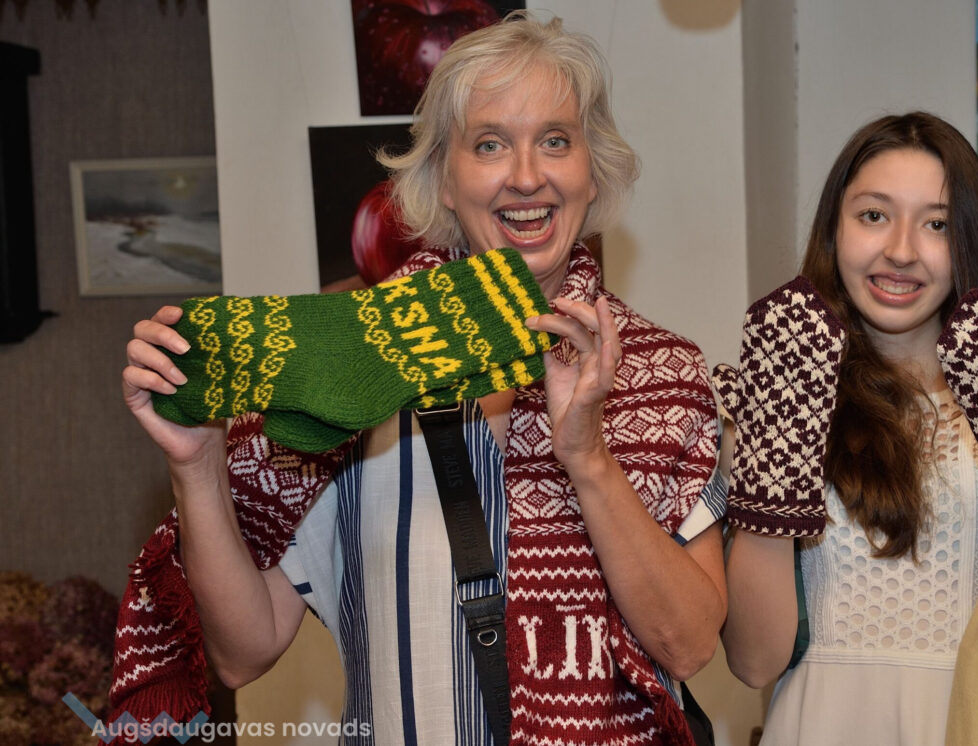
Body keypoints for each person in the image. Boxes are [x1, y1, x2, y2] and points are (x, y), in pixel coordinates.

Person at [117, 13, 726, 746]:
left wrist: (589, 458)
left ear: (591, 172)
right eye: (489, 143)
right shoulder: (351, 367)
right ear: (442, 180)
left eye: (556, 141)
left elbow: (689, 646)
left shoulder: (662, 372)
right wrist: (197, 467)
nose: (526, 175)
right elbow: (243, 652)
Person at [716, 112, 978, 745]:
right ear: (835, 228)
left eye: (937, 224)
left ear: (968, 240)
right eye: (873, 215)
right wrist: (774, 445)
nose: (902, 250)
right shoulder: (778, 393)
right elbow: (753, 662)